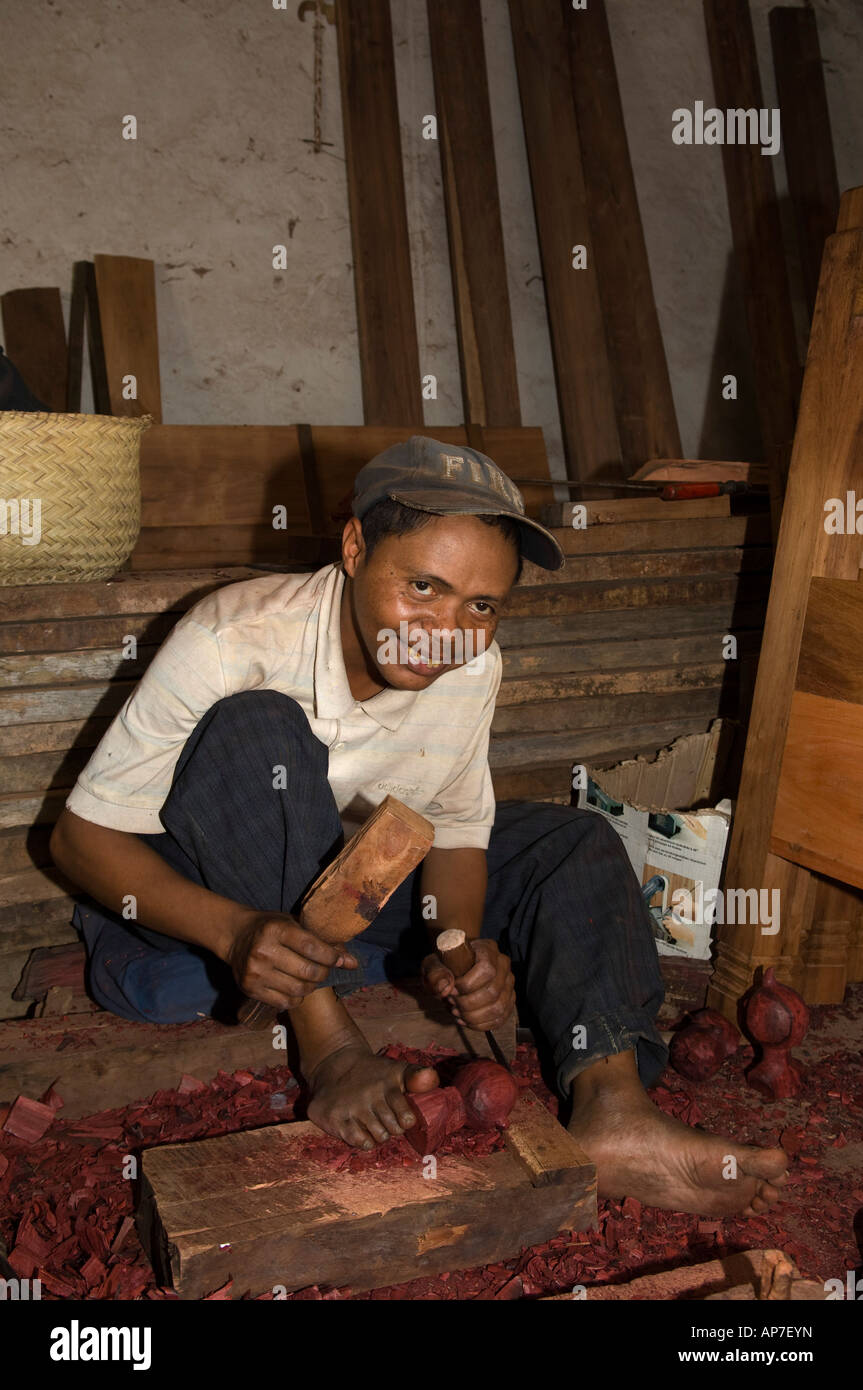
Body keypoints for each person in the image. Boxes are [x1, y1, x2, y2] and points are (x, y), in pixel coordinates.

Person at [51, 435, 788, 1216]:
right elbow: (78, 840)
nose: (445, 630)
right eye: (422, 586)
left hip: (338, 892)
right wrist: (235, 935)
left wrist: (454, 946)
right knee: (257, 730)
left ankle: (612, 1106)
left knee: (568, 841)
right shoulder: (235, 636)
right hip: (191, 898)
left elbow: (458, 826)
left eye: (480, 606)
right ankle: (331, 1044)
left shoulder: (470, 665)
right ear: (354, 546)